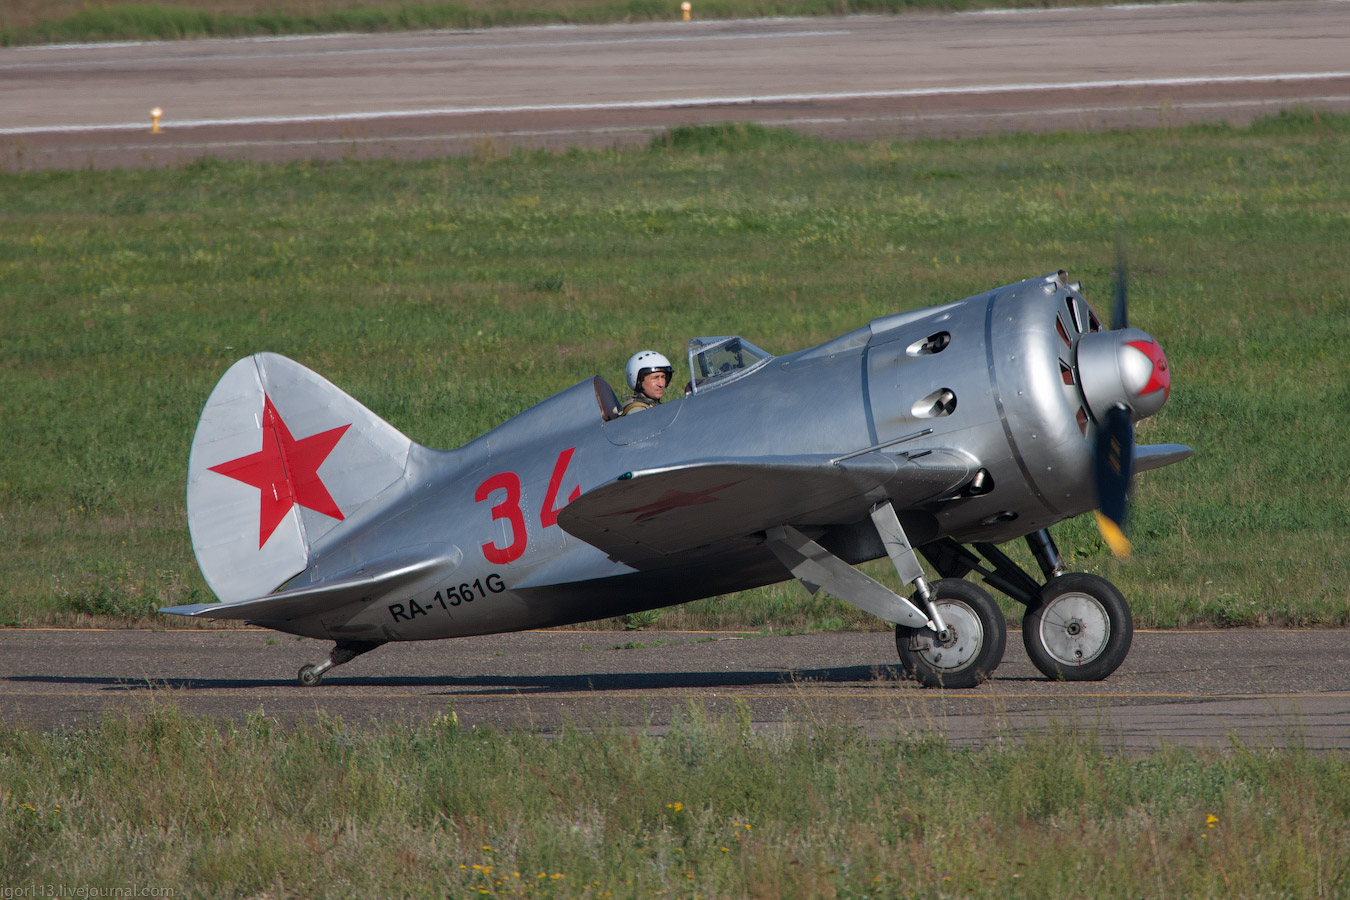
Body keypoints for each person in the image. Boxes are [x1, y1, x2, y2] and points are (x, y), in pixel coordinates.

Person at [621, 350, 673, 415]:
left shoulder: (652, 407)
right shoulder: (637, 412)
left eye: (663, 377)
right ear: (638, 381)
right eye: (655, 378)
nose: (661, 384)